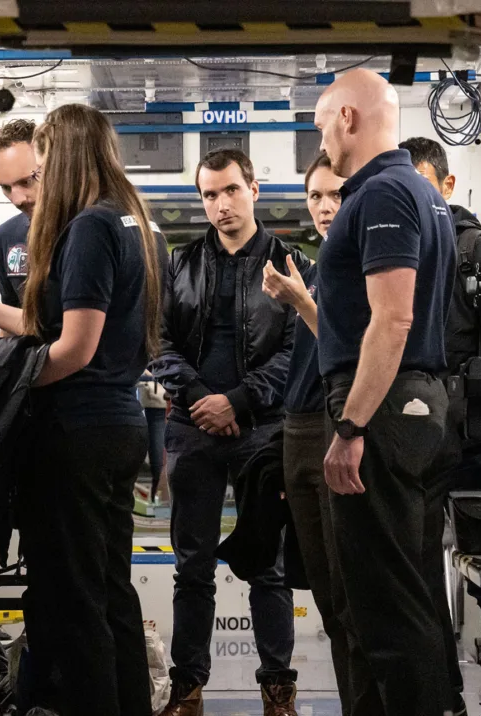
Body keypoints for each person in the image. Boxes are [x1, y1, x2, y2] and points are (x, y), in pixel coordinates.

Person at [0, 104, 167, 716]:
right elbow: (52, 328)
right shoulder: (135, 224)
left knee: (73, 603)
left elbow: (70, 350)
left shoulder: (89, 228)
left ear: (62, 159)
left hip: (78, 433)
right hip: (118, 425)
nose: (29, 185)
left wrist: (3, 382)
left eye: (37, 169)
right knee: (110, 591)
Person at [313, 69, 458, 716]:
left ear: (348, 116)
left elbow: (393, 319)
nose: (321, 138)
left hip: (384, 410)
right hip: (417, 404)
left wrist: (350, 429)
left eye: (321, 123)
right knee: (415, 593)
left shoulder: (384, 197)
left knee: (385, 608)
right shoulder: (422, 194)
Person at [150, 148, 310, 716]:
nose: (220, 205)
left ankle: (278, 691)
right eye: (209, 195)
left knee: (268, 566)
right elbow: (160, 342)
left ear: (254, 190)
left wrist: (238, 401)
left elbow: (299, 351)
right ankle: (188, 689)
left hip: (262, 431)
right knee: (191, 568)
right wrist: (200, 400)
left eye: (230, 191)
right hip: (192, 429)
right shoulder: (182, 263)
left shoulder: (290, 265)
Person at [401, 136, 481, 716]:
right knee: (420, 570)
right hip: (415, 439)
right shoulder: (400, 251)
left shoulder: (480, 252)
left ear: (447, 186)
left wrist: (475, 415)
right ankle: (439, 692)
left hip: (470, 442)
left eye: (425, 186)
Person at [260, 151, 352, 716]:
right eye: (315, 196)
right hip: (298, 430)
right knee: (324, 591)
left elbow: (347, 347)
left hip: (332, 429)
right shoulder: (317, 269)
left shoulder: (355, 269)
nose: (323, 207)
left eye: (335, 195)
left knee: (347, 594)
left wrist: (300, 302)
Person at [0, 119, 38, 311]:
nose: (17, 200)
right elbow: (12, 316)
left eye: (26, 182)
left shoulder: (85, 232)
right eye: (6, 188)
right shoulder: (7, 235)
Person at [138, 370, 168, 502]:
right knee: (159, 461)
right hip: (156, 403)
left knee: (160, 461)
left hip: (161, 402)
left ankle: (161, 499)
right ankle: (159, 499)